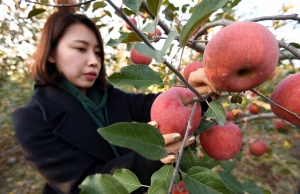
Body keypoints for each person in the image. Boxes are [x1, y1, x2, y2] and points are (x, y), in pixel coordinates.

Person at [13, 11, 216, 194]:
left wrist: (194, 92)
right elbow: (84, 186)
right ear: (50, 54)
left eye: (98, 52)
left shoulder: (108, 95)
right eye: (81, 49)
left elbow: (155, 104)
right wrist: (151, 155)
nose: (94, 61)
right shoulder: (32, 119)